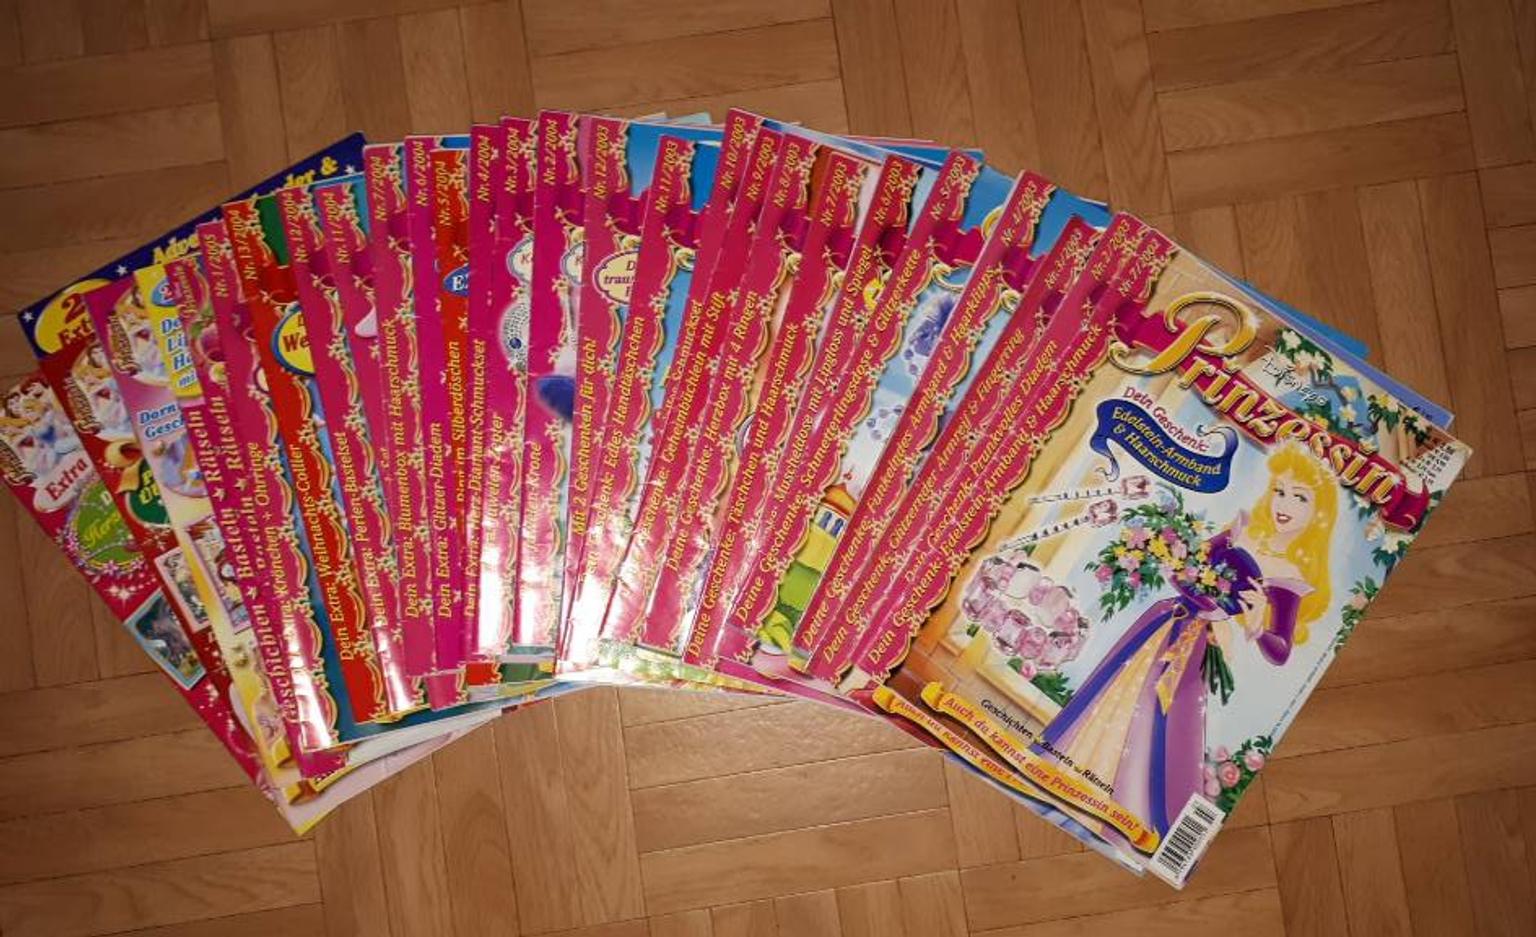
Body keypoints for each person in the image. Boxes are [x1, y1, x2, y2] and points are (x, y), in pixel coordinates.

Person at [1035, 444, 1336, 838]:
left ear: (1319, 514)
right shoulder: (1241, 528)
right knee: (1116, 688)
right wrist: (1170, 559)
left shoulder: (1290, 575)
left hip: (1197, 644)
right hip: (1164, 619)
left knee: (1157, 716)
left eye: (1300, 498)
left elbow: (1280, 650)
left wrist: (1257, 626)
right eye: (1281, 490)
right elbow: (1190, 564)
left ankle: (1128, 808)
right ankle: (1070, 769)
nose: (1285, 504)